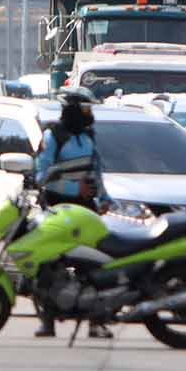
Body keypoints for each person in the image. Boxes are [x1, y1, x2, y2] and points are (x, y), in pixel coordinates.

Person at [33, 87, 111, 339]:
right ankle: (47, 321)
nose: (90, 114)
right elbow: (40, 176)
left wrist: (104, 197)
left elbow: (96, 170)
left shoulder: (89, 136)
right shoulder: (53, 136)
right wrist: (73, 188)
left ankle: (96, 322)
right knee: (50, 264)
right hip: (57, 209)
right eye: (86, 109)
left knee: (93, 264)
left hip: (86, 210)